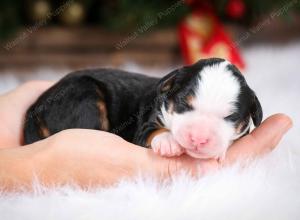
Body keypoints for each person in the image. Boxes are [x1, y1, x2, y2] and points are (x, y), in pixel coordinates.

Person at [0, 81, 292, 191]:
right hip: (81, 92)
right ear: (168, 92)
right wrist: (158, 136)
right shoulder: (157, 110)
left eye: (228, 119)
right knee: (88, 99)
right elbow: (146, 131)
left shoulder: (176, 97)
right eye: (186, 110)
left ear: (251, 117)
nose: (201, 135)